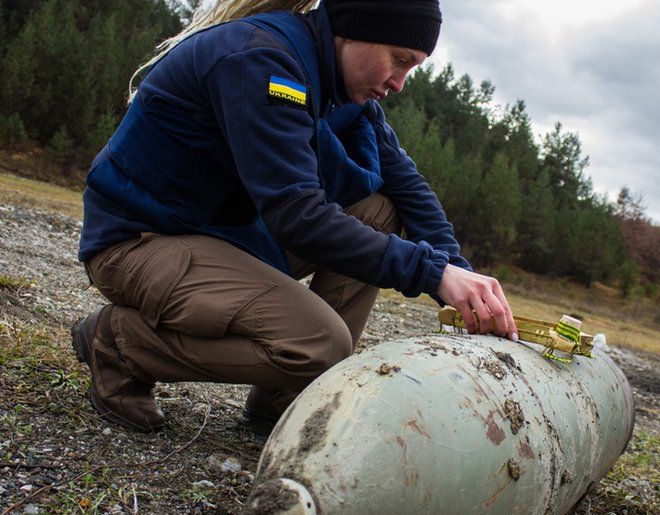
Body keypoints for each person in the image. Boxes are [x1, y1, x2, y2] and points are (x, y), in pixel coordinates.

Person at [71, 0, 518, 434]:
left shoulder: (341, 91)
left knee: (380, 209)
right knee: (321, 344)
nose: (400, 82)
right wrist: (431, 273)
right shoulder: (261, 62)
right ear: (355, 29)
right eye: (398, 60)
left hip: (220, 234)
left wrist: (462, 282)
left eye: (412, 67)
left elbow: (407, 186)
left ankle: (282, 394)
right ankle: (116, 345)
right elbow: (297, 215)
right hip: (139, 241)